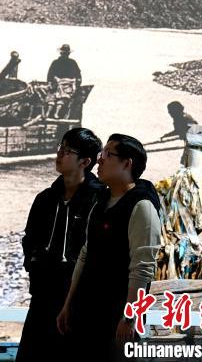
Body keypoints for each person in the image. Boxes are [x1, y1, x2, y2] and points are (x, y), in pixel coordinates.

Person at [57, 134, 161, 362]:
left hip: (117, 317)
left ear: (127, 163)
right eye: (101, 153)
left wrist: (129, 318)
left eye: (108, 154)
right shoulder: (101, 201)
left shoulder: (142, 205)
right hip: (86, 309)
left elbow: (142, 268)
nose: (100, 159)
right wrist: (68, 304)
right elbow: (85, 254)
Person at [17, 128, 104, 361]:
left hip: (79, 295)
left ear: (85, 161)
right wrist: (33, 266)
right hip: (43, 291)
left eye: (67, 151)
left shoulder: (99, 199)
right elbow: (29, 238)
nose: (59, 154)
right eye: (60, 148)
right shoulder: (45, 198)